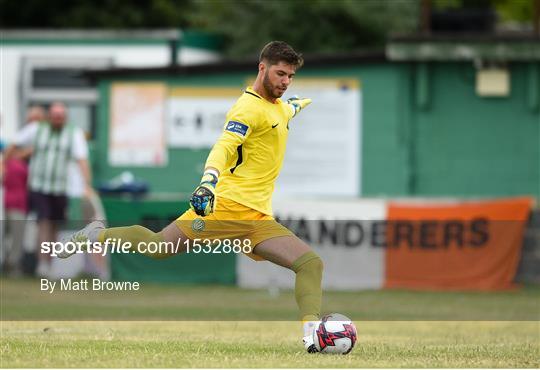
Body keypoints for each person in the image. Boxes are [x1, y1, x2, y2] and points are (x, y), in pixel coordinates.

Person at [63, 41, 323, 353]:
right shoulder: (246, 108)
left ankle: (312, 338)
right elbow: (223, 148)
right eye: (280, 73)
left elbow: (282, 113)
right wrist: (207, 183)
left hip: (257, 220)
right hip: (224, 209)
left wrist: (296, 104)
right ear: (262, 68)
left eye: (291, 76)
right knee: (159, 247)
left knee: (310, 264)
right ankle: (98, 234)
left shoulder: (280, 107)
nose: (285, 81)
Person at [14, 102, 93, 278]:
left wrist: (86, 184)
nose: (57, 119)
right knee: (44, 221)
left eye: (61, 116)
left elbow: (82, 159)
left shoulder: (74, 133)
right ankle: (42, 263)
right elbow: (15, 144)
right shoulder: (37, 130)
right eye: (55, 116)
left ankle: (49, 261)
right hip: (39, 186)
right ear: (49, 116)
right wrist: (8, 161)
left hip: (61, 187)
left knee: (55, 224)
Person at [2, 106, 45, 276]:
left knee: (19, 235)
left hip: (21, 200)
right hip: (11, 200)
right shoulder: (11, 159)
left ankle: (14, 265)